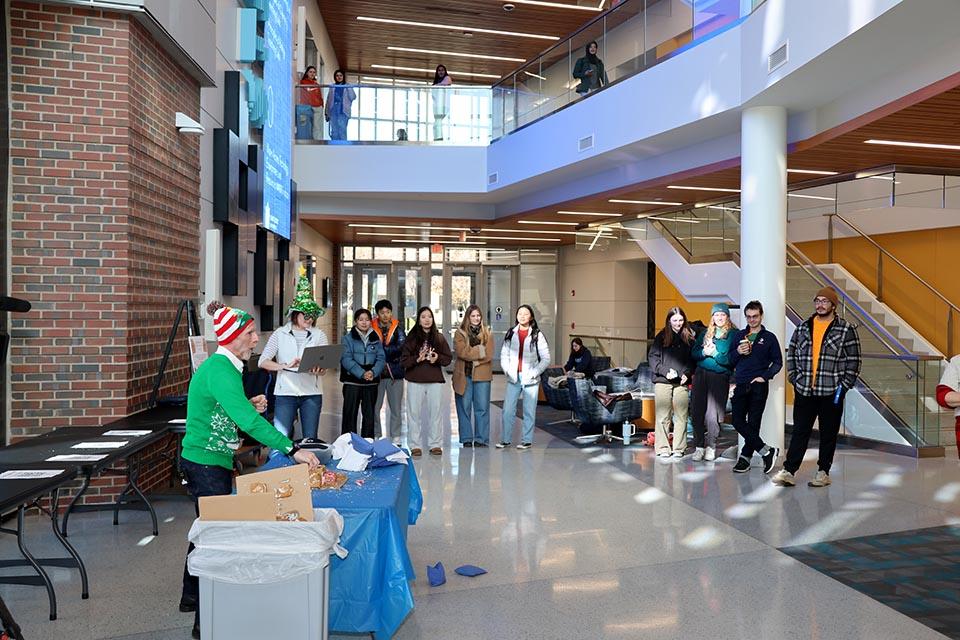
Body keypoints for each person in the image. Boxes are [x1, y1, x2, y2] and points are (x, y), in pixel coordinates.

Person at [180, 302, 320, 639]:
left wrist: (248, 404)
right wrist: (292, 448)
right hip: (204, 462)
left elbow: (229, 409)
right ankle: (205, 619)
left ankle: (190, 593)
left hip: (212, 460)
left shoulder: (228, 367)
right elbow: (245, 421)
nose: (256, 339)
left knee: (206, 526)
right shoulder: (220, 369)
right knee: (215, 535)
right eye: (250, 334)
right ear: (230, 338)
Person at [773, 287, 861, 487]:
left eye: (825, 301)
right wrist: (794, 378)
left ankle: (823, 472)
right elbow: (792, 353)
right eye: (817, 300)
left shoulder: (846, 330)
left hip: (832, 392)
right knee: (800, 431)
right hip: (805, 390)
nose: (820, 305)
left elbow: (854, 361)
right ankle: (789, 470)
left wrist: (843, 387)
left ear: (833, 305)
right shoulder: (803, 327)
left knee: (828, 433)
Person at [257, 299, 328, 442]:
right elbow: (262, 362)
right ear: (296, 314)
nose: (309, 319)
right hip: (285, 393)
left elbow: (323, 370)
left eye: (312, 315)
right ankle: (278, 464)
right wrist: (284, 366)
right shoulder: (280, 333)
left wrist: (316, 369)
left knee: (310, 438)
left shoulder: (319, 335)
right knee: (280, 437)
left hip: (311, 393)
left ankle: (306, 465)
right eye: (306, 315)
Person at [728, 300, 782, 474]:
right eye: (749, 317)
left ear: (761, 316)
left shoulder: (769, 338)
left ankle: (745, 458)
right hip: (741, 383)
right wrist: (738, 352)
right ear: (746, 317)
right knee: (737, 420)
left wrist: (764, 377)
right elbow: (729, 360)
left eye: (755, 316)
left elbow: (778, 362)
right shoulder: (738, 336)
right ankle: (766, 450)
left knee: (753, 423)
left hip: (758, 385)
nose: (752, 320)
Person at [401, 306, 453, 456]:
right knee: (413, 414)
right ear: (418, 320)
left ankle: (435, 444)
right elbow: (404, 361)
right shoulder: (411, 338)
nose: (426, 319)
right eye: (423, 317)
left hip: (434, 380)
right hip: (415, 380)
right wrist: (418, 359)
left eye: (429, 316)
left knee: (436, 413)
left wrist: (437, 359)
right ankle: (415, 445)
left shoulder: (439, 337)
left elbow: (448, 358)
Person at [498, 305, 551, 450]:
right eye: (519, 313)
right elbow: (504, 355)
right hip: (514, 378)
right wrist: (508, 371)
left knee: (529, 411)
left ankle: (526, 440)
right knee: (508, 410)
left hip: (531, 379)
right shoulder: (511, 333)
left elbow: (546, 359)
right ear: (516, 316)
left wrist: (534, 372)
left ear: (531, 317)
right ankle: (505, 440)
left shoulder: (537, 335)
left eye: (525, 314)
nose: (522, 316)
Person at [690, 303, 737, 461]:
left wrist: (715, 353)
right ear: (712, 317)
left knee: (713, 415)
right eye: (716, 315)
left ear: (727, 316)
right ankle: (699, 446)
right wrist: (704, 351)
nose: (719, 318)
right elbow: (694, 353)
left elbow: (731, 359)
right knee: (696, 412)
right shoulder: (704, 333)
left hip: (719, 377)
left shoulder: (733, 334)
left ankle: (711, 446)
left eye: (722, 315)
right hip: (700, 375)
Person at [648, 307, 695, 458]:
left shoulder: (689, 337)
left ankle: (679, 448)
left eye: (681, 320)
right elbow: (653, 358)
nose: (678, 323)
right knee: (663, 415)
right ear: (669, 320)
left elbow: (692, 360)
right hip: (663, 381)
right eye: (675, 320)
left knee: (681, 415)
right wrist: (665, 370)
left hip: (681, 383)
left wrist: (687, 373)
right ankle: (662, 447)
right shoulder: (661, 336)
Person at [340, 308, 385, 438]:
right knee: (350, 415)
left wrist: (373, 372)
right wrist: (362, 373)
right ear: (355, 322)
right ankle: (348, 444)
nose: (364, 323)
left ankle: (367, 444)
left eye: (367, 320)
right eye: (361, 320)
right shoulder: (347, 339)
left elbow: (381, 358)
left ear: (371, 321)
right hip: (352, 382)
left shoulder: (376, 338)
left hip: (371, 383)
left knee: (369, 416)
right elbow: (346, 359)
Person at [453, 305, 493, 448]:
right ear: (468, 317)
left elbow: (488, 354)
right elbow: (462, 352)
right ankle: (466, 438)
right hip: (464, 375)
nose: (476, 318)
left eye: (478, 316)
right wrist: (479, 351)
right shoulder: (459, 333)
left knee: (482, 408)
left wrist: (472, 354)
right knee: (464, 407)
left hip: (482, 376)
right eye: (473, 316)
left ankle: (481, 439)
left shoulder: (487, 332)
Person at [372, 299, 406, 444]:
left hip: (395, 374)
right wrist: (386, 352)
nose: (385, 315)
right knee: (374, 407)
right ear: (378, 314)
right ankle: (376, 434)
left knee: (396, 408)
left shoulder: (398, 329)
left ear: (391, 313)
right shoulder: (371, 329)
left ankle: (396, 435)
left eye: (388, 312)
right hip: (377, 374)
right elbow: (369, 349)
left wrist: (381, 351)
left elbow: (401, 348)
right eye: (382, 312)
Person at [325, 69, 355, 141]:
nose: (339, 77)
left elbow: (353, 97)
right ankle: (335, 148)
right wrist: (326, 112)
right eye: (337, 76)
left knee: (342, 130)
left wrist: (349, 88)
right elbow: (328, 100)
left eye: (340, 75)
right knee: (334, 131)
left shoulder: (347, 86)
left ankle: (343, 148)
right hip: (333, 110)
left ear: (343, 76)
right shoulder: (332, 87)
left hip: (343, 111)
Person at [297, 65, 323, 140]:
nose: (312, 74)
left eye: (314, 72)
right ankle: (307, 140)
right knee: (306, 125)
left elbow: (319, 96)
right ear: (307, 73)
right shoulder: (302, 82)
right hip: (306, 107)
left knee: (317, 126)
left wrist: (321, 105)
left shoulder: (316, 84)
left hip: (317, 107)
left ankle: (317, 142)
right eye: (310, 72)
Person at [432, 64, 453, 141]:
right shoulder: (436, 82)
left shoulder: (447, 78)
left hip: (443, 105)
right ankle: (437, 137)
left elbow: (448, 82)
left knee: (438, 121)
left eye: (442, 70)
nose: (441, 72)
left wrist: (436, 85)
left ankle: (439, 138)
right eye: (439, 70)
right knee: (437, 122)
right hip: (437, 105)